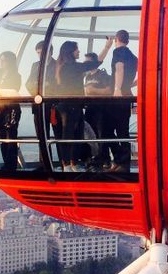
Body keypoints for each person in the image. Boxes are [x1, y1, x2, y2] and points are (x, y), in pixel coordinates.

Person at [54, 37, 114, 170]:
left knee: (72, 134)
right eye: (77, 49)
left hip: (66, 105)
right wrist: (107, 47)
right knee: (72, 134)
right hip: (72, 105)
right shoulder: (72, 67)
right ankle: (69, 164)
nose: (79, 51)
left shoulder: (61, 67)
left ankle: (70, 164)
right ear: (71, 51)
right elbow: (95, 63)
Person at [0, 51, 22, 171]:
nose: (1, 63)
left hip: (11, 109)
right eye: (0, 60)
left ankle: (11, 165)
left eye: (4, 60)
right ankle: (6, 163)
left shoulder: (16, 76)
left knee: (11, 136)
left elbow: (14, 90)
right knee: (2, 138)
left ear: (10, 62)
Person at [109, 29, 138, 172]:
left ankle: (121, 160)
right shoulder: (133, 57)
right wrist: (127, 86)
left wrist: (117, 88)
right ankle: (122, 162)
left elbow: (119, 68)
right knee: (123, 130)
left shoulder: (118, 51)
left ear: (116, 39)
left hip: (119, 95)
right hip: (127, 94)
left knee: (108, 129)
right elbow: (139, 77)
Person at [83, 52, 113, 167]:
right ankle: (93, 157)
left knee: (102, 134)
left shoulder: (103, 75)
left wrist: (93, 90)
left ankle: (105, 159)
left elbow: (109, 91)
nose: (85, 64)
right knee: (90, 134)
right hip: (90, 109)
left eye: (87, 62)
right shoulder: (87, 77)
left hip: (101, 109)